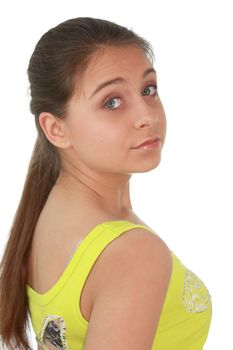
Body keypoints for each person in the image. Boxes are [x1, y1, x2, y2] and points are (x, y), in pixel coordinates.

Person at [0, 17, 212, 350]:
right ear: (56, 129)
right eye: (112, 101)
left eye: (148, 89)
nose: (147, 115)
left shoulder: (46, 212)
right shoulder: (133, 254)